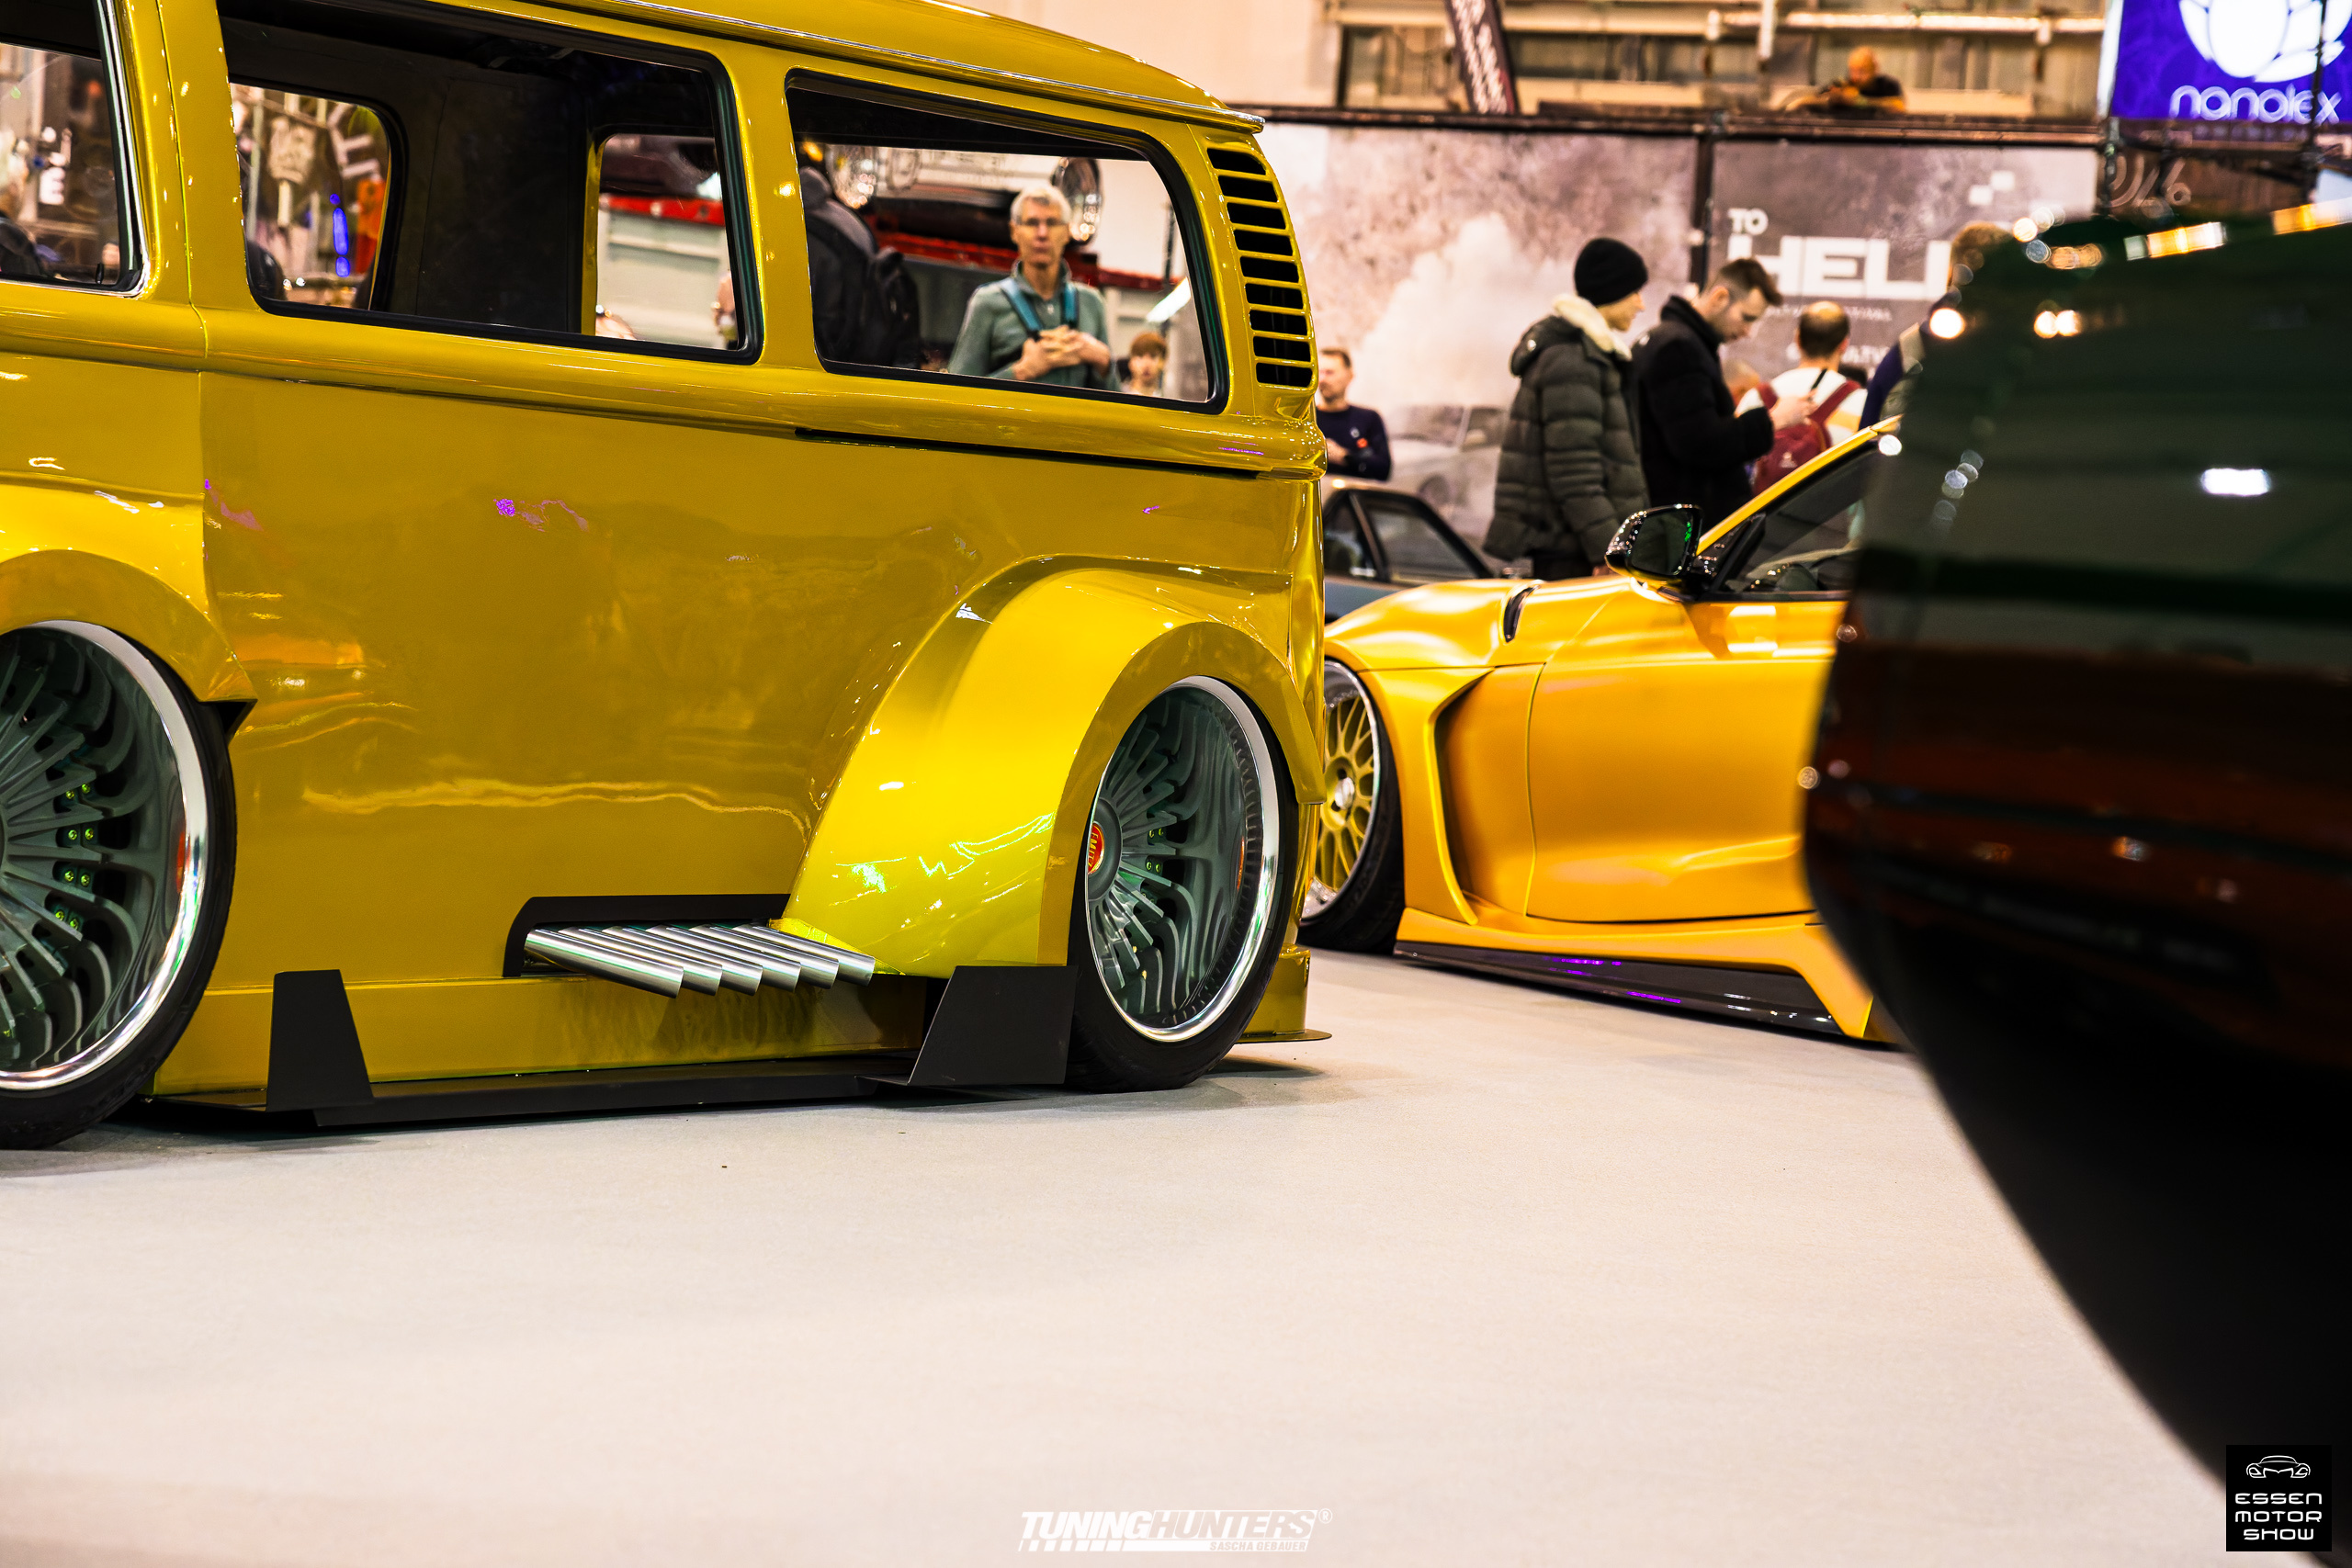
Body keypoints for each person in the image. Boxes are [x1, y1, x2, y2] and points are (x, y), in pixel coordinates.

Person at [1487, 237, 1652, 580]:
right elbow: (1574, 471)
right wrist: (1607, 550)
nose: (1641, 304)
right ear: (1611, 291)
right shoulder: (1574, 359)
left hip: (1577, 545)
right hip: (1575, 552)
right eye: (1634, 292)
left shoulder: (1585, 353)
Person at [1630, 257, 1817, 527]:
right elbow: (1700, 443)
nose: (1748, 331)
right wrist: (1773, 420)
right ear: (1720, 298)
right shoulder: (1680, 348)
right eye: (1746, 318)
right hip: (1681, 526)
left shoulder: (1676, 341)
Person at [948, 184, 1114, 389]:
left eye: (1052, 223)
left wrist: (1103, 360)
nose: (1042, 233)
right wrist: (1021, 371)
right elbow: (957, 393)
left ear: (1066, 232)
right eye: (1032, 223)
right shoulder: (987, 302)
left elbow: (1118, 400)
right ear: (1014, 231)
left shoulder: (1092, 303)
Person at [1860, 220, 2009, 424]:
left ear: (1950, 272)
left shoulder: (1910, 350)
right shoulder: (1911, 349)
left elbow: (1868, 434)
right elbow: (1869, 435)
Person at [1739, 300, 1865, 494]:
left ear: (1797, 339)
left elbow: (1733, 460)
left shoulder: (1755, 398)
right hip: (1831, 512)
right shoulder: (1862, 402)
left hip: (1760, 512)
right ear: (1844, 345)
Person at [1314, 347, 1390, 480]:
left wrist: (1344, 457)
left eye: (1330, 373)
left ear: (1349, 376)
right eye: (1320, 373)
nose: (1323, 379)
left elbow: (1383, 470)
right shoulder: (1307, 419)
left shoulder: (1368, 419)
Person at [1793, 47, 1908, 114]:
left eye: (1862, 71)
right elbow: (1804, 102)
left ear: (1875, 69)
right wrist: (1831, 99)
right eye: (1853, 70)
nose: (1856, 76)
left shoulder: (1888, 85)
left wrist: (1860, 102)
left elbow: (1898, 106)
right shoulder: (1843, 84)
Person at [1123, 329, 1167, 398]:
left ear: (1163, 362)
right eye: (1140, 356)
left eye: (1153, 356)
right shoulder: (1117, 395)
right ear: (1131, 362)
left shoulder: (1170, 400)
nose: (1146, 364)